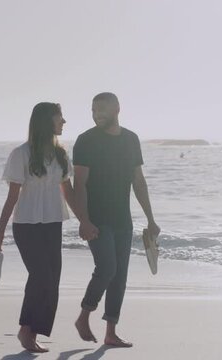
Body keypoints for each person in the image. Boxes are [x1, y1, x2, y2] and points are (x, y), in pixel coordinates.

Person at [0, 102, 79, 353]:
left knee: (51, 280)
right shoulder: (21, 154)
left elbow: (68, 192)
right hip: (26, 226)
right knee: (42, 277)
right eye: (60, 117)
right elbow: (12, 197)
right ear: (46, 121)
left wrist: (86, 221)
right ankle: (26, 331)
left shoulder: (61, 155)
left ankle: (30, 331)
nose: (64, 122)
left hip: (53, 224)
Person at [73, 92, 160, 347]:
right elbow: (80, 184)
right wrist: (84, 220)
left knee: (119, 275)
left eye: (101, 109)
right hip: (97, 219)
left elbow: (138, 181)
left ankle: (111, 331)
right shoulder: (86, 141)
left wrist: (151, 219)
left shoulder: (131, 139)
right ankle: (84, 316)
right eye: (93, 110)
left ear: (117, 109)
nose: (97, 114)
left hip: (123, 219)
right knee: (107, 269)